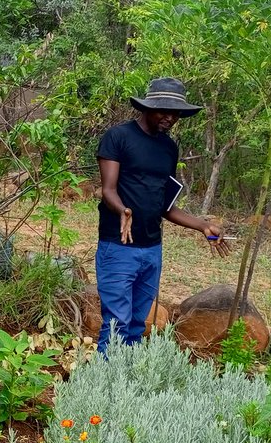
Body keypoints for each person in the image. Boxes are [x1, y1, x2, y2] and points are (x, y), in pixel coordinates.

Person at [95, 77, 230, 352]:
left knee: (136, 323)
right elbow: (107, 190)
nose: (170, 118)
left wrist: (202, 225)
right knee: (116, 323)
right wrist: (123, 210)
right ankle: (103, 383)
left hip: (152, 250)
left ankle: (126, 382)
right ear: (147, 107)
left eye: (175, 113)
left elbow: (166, 206)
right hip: (118, 247)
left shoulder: (168, 147)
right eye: (163, 110)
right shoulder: (118, 137)